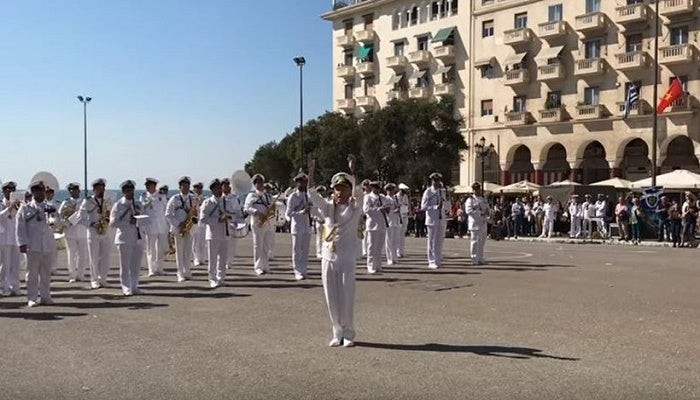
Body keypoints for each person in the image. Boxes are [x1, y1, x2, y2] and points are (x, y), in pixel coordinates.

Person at [308, 156, 364, 347]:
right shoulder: (327, 207)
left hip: (347, 257)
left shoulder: (355, 208)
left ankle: (349, 332)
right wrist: (312, 173)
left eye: (344, 188)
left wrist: (353, 172)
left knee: (347, 294)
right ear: (333, 190)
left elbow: (360, 192)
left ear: (349, 190)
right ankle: (337, 331)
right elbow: (312, 194)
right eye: (337, 188)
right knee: (330, 296)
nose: (340, 192)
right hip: (328, 256)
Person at [16, 180, 57, 307]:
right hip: (32, 245)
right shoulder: (25, 208)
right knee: (32, 273)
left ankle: (45, 296)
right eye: (38, 191)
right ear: (33, 193)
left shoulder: (50, 207)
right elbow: (20, 227)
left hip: (47, 244)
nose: (41, 193)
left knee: (46, 273)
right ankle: (32, 297)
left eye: (42, 191)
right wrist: (22, 243)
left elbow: (57, 224)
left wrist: (54, 218)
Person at [110, 180, 145, 296]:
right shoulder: (118, 205)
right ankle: (126, 287)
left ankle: (134, 285)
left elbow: (145, 219)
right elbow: (113, 223)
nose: (130, 192)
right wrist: (128, 222)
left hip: (138, 237)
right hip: (124, 238)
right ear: (124, 191)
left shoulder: (139, 204)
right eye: (128, 190)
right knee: (125, 265)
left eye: (132, 190)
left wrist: (140, 220)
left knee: (136, 265)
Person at [79, 178, 114, 289]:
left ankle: (103, 278)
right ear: (94, 189)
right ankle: (94, 280)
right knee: (93, 257)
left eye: (102, 187)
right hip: (93, 231)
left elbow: (112, 213)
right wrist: (91, 224)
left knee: (105, 257)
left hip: (105, 231)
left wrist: (109, 220)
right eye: (98, 188)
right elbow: (81, 217)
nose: (101, 190)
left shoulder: (107, 200)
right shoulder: (88, 201)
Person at [199, 179, 230, 288]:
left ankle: (221, 278)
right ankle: (212, 278)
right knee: (212, 258)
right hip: (213, 234)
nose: (219, 190)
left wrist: (230, 217)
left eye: (220, 187)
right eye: (217, 188)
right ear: (212, 190)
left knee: (223, 258)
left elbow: (232, 213)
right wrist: (218, 220)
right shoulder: (208, 202)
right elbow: (203, 219)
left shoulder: (225, 201)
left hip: (224, 233)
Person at [165, 176, 197, 282]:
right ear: (180, 187)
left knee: (188, 250)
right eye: (184, 185)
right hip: (179, 228)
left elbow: (197, 212)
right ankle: (180, 273)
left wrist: (194, 218)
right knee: (179, 251)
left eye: (188, 185)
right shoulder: (174, 199)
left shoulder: (193, 198)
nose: (186, 187)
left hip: (189, 227)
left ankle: (187, 271)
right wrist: (178, 224)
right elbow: (168, 214)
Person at [244, 174, 276, 275]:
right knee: (258, 245)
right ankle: (258, 266)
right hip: (257, 222)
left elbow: (272, 209)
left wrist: (272, 208)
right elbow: (246, 208)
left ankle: (265, 265)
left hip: (267, 222)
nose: (260, 184)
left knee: (266, 245)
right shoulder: (252, 195)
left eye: (261, 182)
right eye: (257, 182)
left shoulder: (268, 196)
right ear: (254, 184)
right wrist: (257, 212)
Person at [285, 172, 314, 280]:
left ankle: (304, 269)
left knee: (305, 249)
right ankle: (297, 270)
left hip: (307, 224)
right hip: (297, 225)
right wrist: (301, 212)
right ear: (297, 183)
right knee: (297, 250)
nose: (303, 184)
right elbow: (288, 214)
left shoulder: (308, 195)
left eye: (305, 182)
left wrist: (311, 208)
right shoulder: (293, 196)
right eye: (301, 182)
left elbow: (313, 207)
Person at [59, 183, 89, 282]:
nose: (73, 191)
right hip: (70, 231)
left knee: (82, 255)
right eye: (71, 190)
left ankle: (81, 274)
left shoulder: (84, 202)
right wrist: (68, 222)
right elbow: (60, 216)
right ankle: (72, 275)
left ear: (79, 191)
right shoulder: (65, 203)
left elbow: (88, 215)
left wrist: (80, 220)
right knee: (71, 254)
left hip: (82, 230)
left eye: (75, 189)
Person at [421, 172, 450, 269]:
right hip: (432, 220)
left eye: (438, 181)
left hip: (441, 219)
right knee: (432, 241)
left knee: (439, 241)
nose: (436, 183)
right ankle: (431, 261)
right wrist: (435, 207)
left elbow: (445, 204)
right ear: (432, 181)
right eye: (435, 181)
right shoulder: (428, 192)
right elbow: (423, 207)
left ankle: (438, 260)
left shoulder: (442, 192)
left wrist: (445, 207)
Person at [140, 178, 169, 277]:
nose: (147, 187)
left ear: (154, 186)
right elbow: (142, 211)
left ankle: (159, 268)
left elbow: (166, 209)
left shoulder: (161, 196)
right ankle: (151, 269)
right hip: (150, 226)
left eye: (149, 185)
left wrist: (167, 224)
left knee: (161, 249)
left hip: (161, 225)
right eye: (146, 185)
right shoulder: (144, 196)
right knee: (150, 249)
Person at [363, 181, 390, 274]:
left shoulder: (382, 197)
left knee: (379, 247)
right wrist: (379, 209)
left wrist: (387, 209)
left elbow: (387, 207)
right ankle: (370, 266)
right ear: (372, 188)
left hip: (381, 224)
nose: (378, 189)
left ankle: (378, 265)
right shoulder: (368, 197)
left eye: (379, 187)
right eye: (376, 187)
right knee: (371, 246)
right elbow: (366, 210)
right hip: (372, 225)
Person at [0, 181, 21, 296]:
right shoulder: (1, 204)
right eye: (7, 190)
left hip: (15, 237)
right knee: (4, 264)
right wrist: (9, 208)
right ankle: (3, 287)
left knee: (15, 264)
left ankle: (15, 286)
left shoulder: (18, 204)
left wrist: (17, 206)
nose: (10, 192)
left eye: (12, 190)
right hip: (3, 238)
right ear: (3, 191)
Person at [465, 182, 489, 266]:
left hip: (483, 222)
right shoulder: (470, 199)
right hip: (475, 223)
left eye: (478, 188)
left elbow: (487, 208)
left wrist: (487, 212)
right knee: (475, 242)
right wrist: (480, 213)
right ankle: (474, 258)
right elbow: (469, 211)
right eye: (475, 189)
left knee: (482, 241)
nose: (477, 190)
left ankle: (480, 257)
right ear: (473, 190)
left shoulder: (483, 199)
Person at [221, 178, 243, 270]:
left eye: (228, 185)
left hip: (231, 223)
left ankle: (229, 262)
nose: (226, 187)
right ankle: (222, 261)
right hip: (221, 223)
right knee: (221, 244)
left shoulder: (235, 198)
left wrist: (239, 223)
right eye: (224, 185)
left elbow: (238, 212)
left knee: (232, 244)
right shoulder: (218, 198)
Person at [384, 183, 402, 265]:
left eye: (392, 190)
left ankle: (394, 257)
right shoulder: (385, 199)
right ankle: (389, 258)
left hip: (396, 221)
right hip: (389, 221)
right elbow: (386, 211)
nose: (391, 192)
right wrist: (394, 211)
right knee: (389, 241)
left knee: (395, 240)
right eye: (389, 190)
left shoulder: (395, 198)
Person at [191, 182, 208, 267]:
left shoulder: (205, 199)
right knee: (195, 242)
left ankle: (202, 258)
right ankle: (196, 258)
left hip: (203, 222)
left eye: (200, 188)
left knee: (203, 241)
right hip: (194, 222)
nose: (199, 190)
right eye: (197, 188)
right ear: (194, 189)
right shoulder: (191, 198)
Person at [396, 183, 410, 257]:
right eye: (403, 191)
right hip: (399, 216)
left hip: (405, 216)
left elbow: (406, 205)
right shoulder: (396, 197)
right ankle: (397, 250)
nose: (404, 193)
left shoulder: (405, 196)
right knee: (398, 234)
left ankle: (401, 250)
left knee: (402, 234)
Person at [313, 185, 327, 259]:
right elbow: (314, 211)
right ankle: (318, 252)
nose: (321, 193)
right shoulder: (316, 200)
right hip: (319, 220)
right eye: (320, 191)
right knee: (319, 237)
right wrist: (316, 218)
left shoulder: (326, 199)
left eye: (322, 191)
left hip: (326, 221)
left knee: (325, 237)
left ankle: (324, 251)